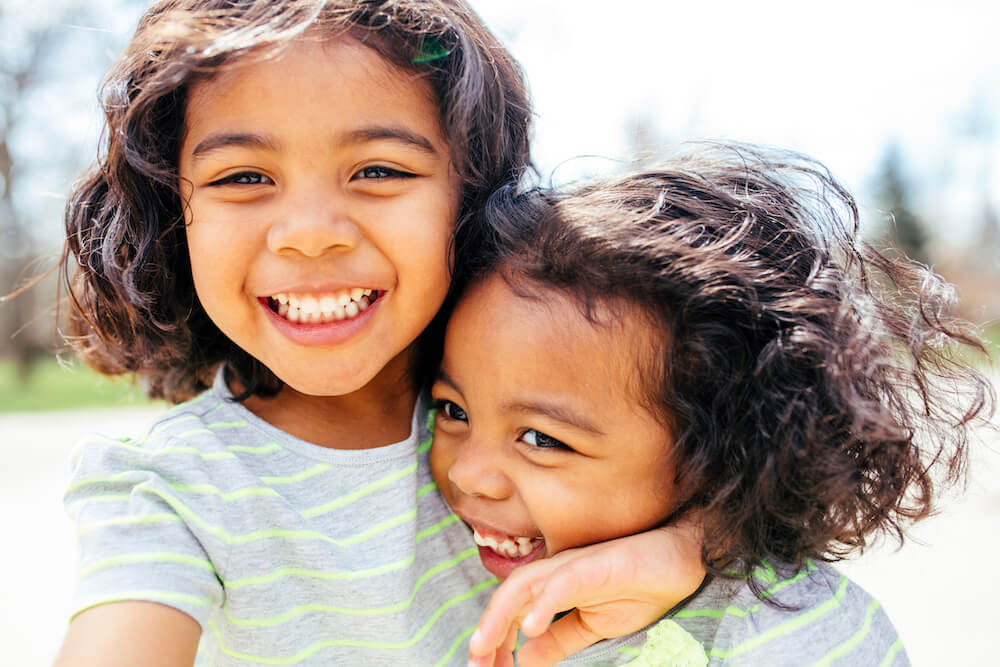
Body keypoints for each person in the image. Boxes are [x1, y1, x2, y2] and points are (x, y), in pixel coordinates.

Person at [54, 2, 704, 665]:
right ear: (172, 211)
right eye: (244, 177)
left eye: (379, 170)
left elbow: (765, 455)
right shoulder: (172, 493)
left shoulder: (570, 374)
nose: (309, 232)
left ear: (470, 192)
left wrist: (695, 542)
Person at [429, 144, 995, 665]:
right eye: (453, 411)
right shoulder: (448, 555)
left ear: (717, 459)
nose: (467, 472)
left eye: (542, 439)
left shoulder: (788, 629)